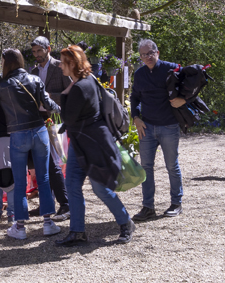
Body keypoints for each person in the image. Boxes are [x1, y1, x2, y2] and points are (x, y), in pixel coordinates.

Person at [0, 49, 60, 240]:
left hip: (18, 135)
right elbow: (50, 105)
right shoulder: (35, 79)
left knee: (19, 182)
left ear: (6, 63)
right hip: (39, 132)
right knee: (43, 178)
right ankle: (49, 223)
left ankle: (19, 226)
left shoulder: (3, 85)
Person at [55, 45, 133, 246]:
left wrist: (64, 94)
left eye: (63, 63)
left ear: (72, 64)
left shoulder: (81, 87)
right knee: (72, 185)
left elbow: (67, 117)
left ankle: (126, 223)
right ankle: (77, 231)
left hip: (94, 144)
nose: (60, 67)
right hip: (81, 143)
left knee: (100, 188)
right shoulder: (85, 82)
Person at [130, 39, 188, 221]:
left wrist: (184, 100)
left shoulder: (172, 69)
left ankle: (176, 203)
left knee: (172, 166)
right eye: (143, 55)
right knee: (146, 167)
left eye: (150, 53)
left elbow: (194, 85)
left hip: (169, 125)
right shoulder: (139, 75)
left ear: (158, 52)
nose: (148, 57)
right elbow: (134, 97)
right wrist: (136, 117)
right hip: (146, 127)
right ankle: (148, 207)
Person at [29, 36, 71, 219]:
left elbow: (71, 92)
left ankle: (65, 204)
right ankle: (47, 204)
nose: (36, 55)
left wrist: (47, 97)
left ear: (48, 48)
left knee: (54, 163)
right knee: (41, 164)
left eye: (39, 50)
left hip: (55, 120)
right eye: (34, 52)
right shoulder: (32, 71)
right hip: (38, 121)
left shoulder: (60, 66)